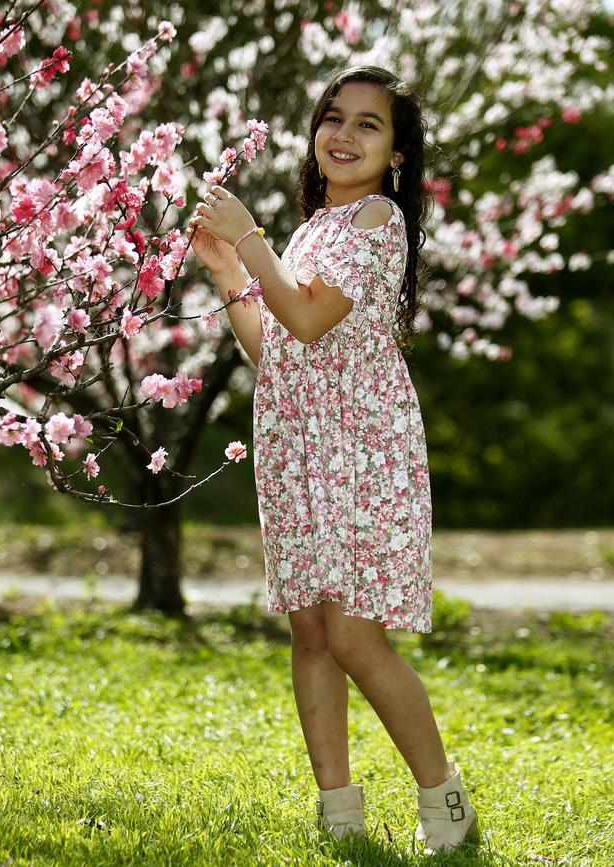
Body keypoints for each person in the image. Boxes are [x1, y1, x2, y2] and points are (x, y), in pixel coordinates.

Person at [186, 64, 479, 855]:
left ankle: (444, 802)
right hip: (298, 449)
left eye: (368, 124)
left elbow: (311, 317)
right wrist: (227, 271)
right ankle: (339, 816)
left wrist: (249, 237)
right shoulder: (315, 230)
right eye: (332, 118)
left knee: (354, 637)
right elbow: (274, 346)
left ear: (396, 156)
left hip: (357, 450)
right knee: (311, 632)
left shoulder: (377, 220)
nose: (343, 135)